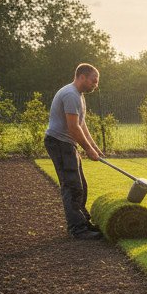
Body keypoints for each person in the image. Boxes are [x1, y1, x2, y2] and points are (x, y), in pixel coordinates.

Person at [44, 64, 104, 240]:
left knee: (81, 185)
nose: (95, 85)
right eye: (94, 81)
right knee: (72, 186)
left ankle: (83, 222)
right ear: (82, 77)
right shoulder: (71, 94)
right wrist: (88, 150)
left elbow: (81, 124)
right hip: (60, 143)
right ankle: (77, 229)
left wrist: (93, 146)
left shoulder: (78, 95)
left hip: (67, 144)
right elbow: (72, 128)